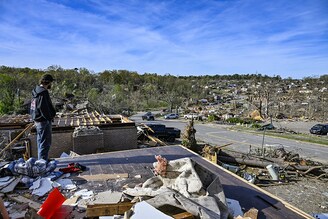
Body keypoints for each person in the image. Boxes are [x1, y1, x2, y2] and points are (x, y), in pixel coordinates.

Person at [30, 74, 56, 161]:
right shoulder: (43, 92)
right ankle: (42, 163)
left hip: (37, 120)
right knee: (45, 143)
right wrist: (49, 117)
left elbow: (33, 107)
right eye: (50, 83)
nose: (50, 85)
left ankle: (42, 159)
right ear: (47, 82)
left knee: (40, 141)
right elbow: (43, 107)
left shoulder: (35, 91)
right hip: (43, 121)